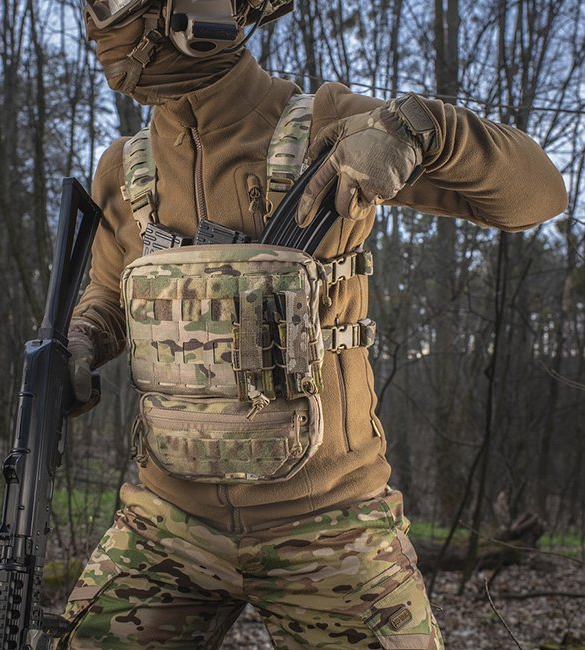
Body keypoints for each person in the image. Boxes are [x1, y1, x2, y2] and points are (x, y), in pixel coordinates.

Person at [58, 0, 567, 647]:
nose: (98, 24)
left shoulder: (323, 124)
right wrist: (80, 341)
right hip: (168, 522)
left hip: (329, 524)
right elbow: (109, 291)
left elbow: (541, 193)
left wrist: (422, 129)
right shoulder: (124, 166)